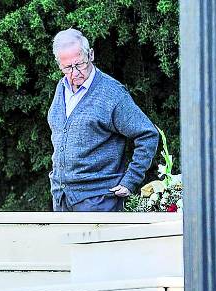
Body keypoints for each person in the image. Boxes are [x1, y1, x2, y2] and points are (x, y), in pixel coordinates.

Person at [47, 28, 159, 211]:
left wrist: (131, 180)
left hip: (99, 200)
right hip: (61, 197)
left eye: (80, 64)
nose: (75, 73)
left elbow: (147, 134)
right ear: (59, 64)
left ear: (90, 55)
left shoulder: (112, 94)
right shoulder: (62, 88)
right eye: (67, 68)